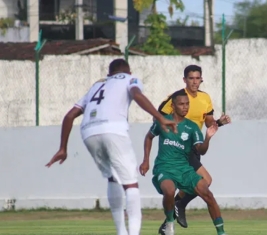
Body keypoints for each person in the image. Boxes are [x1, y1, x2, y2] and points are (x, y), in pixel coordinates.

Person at [45, 59, 177, 235]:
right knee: (131, 184)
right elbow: (137, 95)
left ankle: (121, 232)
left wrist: (63, 148)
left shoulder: (96, 86)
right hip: (113, 129)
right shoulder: (131, 79)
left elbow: (69, 116)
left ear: (109, 74)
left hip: (88, 132)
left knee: (113, 178)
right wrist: (160, 117)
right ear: (129, 72)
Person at [139, 90, 227, 235]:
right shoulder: (163, 121)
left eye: (187, 104)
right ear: (173, 106)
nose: (185, 107)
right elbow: (149, 137)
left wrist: (208, 138)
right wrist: (145, 161)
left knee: (207, 193)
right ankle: (169, 223)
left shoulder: (192, 127)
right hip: (164, 167)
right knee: (169, 190)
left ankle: (221, 232)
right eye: (181, 104)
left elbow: (201, 150)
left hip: (184, 169)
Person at [157, 64, 231, 233]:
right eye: (191, 78)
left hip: (195, 147)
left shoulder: (205, 98)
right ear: (185, 80)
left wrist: (219, 122)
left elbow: (208, 122)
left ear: (201, 79)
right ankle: (178, 207)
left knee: (205, 183)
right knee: (205, 182)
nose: (195, 82)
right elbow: (160, 115)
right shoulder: (177, 98)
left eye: (198, 78)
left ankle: (174, 212)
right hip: (179, 149)